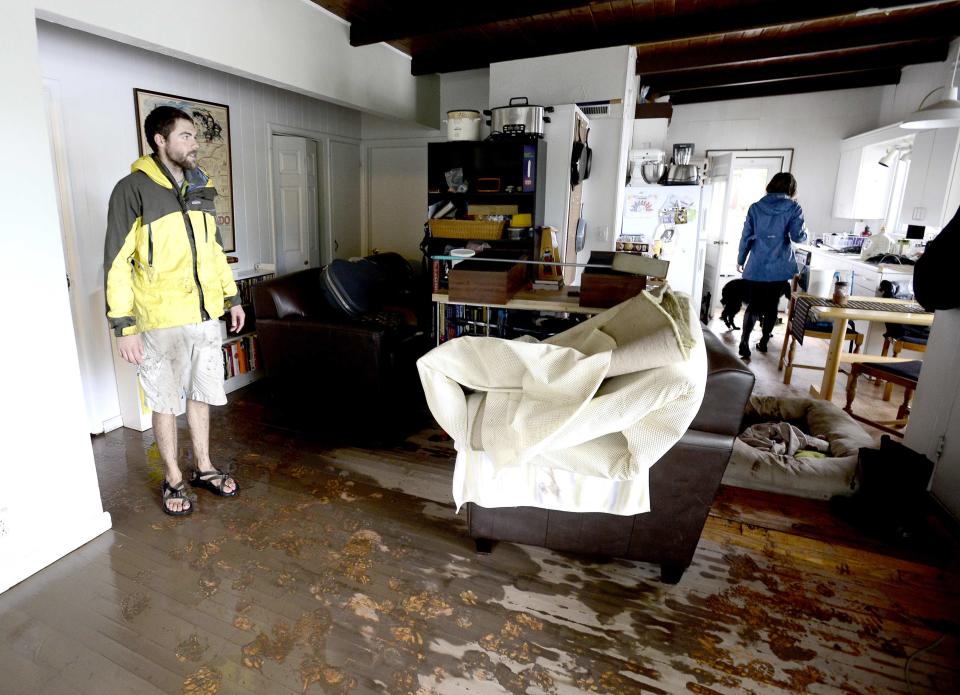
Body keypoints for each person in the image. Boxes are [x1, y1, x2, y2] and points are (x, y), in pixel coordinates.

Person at [104, 106, 242, 516]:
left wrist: (230, 298)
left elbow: (214, 252)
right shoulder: (131, 189)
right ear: (160, 141)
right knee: (165, 401)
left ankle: (202, 467)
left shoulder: (203, 187)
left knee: (200, 395)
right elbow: (115, 262)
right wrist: (123, 325)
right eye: (185, 135)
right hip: (158, 319)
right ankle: (173, 478)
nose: (194, 143)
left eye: (194, 136)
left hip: (203, 315)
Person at [736, 172, 807, 359]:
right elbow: (798, 236)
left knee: (753, 305)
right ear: (791, 189)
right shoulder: (794, 208)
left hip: (757, 264)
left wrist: (741, 259)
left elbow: (746, 236)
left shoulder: (756, 208)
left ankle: (744, 340)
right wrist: (805, 233)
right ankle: (764, 341)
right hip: (780, 265)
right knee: (771, 305)